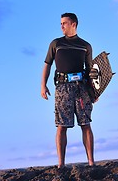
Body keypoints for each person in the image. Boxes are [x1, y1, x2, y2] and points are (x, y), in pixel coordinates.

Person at [41, 12, 95, 168]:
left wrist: (94, 92)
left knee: (86, 124)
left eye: (64, 23)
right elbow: (47, 64)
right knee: (61, 126)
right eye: (60, 23)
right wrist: (43, 85)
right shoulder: (56, 44)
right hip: (62, 88)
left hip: (82, 88)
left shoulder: (85, 46)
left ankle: (91, 162)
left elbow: (91, 70)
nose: (61, 26)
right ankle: (61, 164)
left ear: (74, 24)